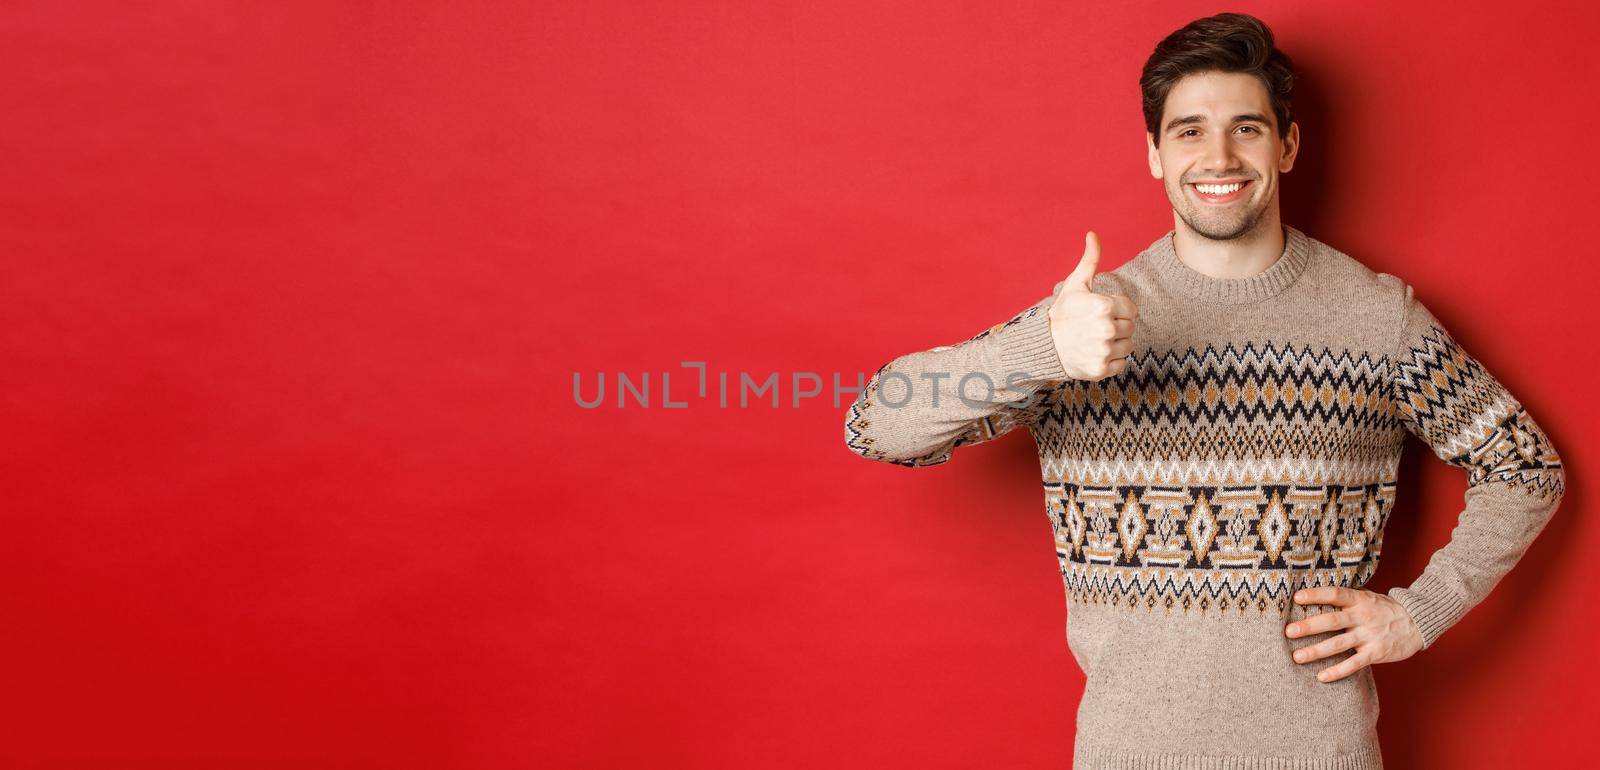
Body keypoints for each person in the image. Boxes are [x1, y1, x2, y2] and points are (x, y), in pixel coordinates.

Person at [841, 12, 1565, 769]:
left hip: (1319, 755)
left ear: (1286, 146)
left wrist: (1420, 614)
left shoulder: (1376, 318)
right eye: (1188, 131)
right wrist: (1039, 349)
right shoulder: (1084, 324)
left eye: (1246, 128)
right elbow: (875, 424)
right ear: (1154, 154)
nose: (1218, 155)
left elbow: (1524, 468)